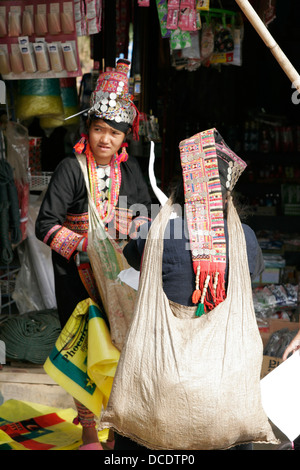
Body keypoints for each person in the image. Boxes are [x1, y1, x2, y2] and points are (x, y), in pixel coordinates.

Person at [119, 128, 265, 450]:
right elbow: (253, 270)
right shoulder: (246, 238)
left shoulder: (159, 232)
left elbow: (132, 258)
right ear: (226, 191)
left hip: (162, 384)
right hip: (225, 390)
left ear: (184, 184)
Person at [35, 59, 152, 450]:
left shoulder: (132, 170)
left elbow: (146, 217)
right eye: (99, 130)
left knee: (121, 352)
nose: (105, 139)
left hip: (120, 278)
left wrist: (130, 225)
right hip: (77, 280)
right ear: (89, 130)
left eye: (114, 133)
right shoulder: (70, 169)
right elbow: (45, 225)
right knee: (87, 352)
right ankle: (88, 432)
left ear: (124, 139)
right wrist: (86, 241)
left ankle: (119, 431)